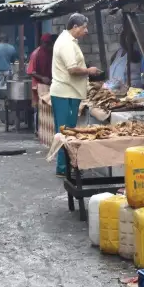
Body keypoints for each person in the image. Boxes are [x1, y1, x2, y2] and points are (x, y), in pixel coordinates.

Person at [51, 14, 100, 176]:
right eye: (84, 27)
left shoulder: (69, 41)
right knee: (65, 132)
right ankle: (63, 168)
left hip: (69, 92)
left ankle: (65, 166)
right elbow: (72, 69)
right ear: (75, 27)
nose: (86, 31)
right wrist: (89, 71)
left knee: (66, 131)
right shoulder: (66, 43)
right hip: (65, 92)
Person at [28, 33, 55, 107]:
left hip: (50, 84)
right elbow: (30, 72)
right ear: (42, 43)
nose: (49, 46)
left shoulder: (52, 52)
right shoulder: (36, 54)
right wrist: (42, 78)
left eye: (50, 43)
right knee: (40, 107)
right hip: (38, 85)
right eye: (47, 43)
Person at [0, 36, 18, 101]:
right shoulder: (12, 48)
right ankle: (6, 106)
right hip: (8, 71)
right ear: (7, 40)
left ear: (0, 39)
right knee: (8, 89)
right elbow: (13, 60)